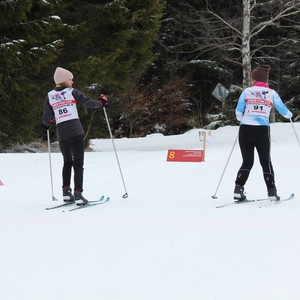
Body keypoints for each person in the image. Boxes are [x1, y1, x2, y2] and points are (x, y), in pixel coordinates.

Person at [42, 67, 108, 205]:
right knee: (78, 164)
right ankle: (78, 194)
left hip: (62, 134)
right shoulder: (72, 92)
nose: (72, 81)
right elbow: (88, 102)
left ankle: (66, 193)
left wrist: (47, 124)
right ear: (64, 81)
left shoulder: (50, 95)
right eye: (70, 79)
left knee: (67, 162)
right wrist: (101, 103)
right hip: (76, 132)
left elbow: (46, 117)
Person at [234, 65, 292, 201]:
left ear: (254, 79)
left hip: (245, 129)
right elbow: (283, 111)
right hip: (261, 130)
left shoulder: (247, 91)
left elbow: (238, 110)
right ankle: (271, 191)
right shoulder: (271, 93)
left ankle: (238, 189)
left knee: (247, 162)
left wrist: (242, 119)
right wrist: (289, 115)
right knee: (265, 162)